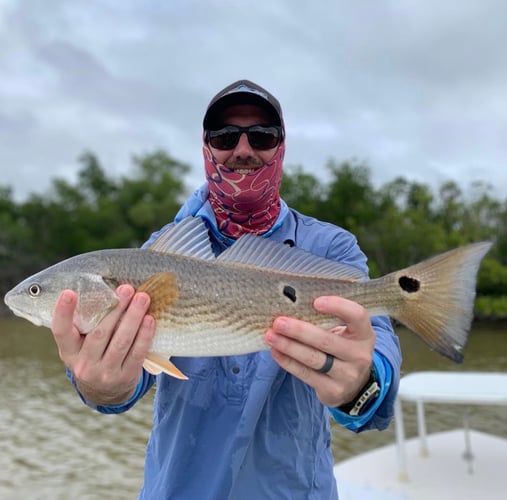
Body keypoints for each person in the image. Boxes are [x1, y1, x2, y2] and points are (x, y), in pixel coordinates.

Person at [51, 80, 402, 499]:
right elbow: (126, 387)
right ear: (206, 148)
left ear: (281, 149)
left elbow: (376, 357)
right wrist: (100, 385)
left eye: (262, 135)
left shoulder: (331, 247)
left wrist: (359, 385)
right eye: (224, 135)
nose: (242, 149)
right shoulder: (156, 254)